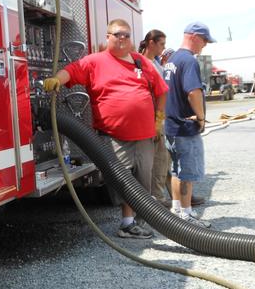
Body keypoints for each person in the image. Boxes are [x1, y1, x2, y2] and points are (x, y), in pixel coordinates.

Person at [44, 19, 168, 239]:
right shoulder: (95, 61)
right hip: (115, 136)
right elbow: (72, 71)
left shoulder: (141, 62)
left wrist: (158, 119)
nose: (122, 39)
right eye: (117, 34)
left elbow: (161, 90)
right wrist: (56, 80)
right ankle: (127, 224)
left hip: (145, 136)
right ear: (108, 36)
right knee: (124, 181)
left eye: (126, 35)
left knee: (143, 180)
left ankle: (142, 222)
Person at [163, 22, 215, 228]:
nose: (205, 45)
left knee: (177, 170)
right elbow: (193, 91)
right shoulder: (189, 61)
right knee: (187, 172)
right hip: (185, 127)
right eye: (204, 40)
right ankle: (186, 214)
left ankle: (177, 209)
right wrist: (200, 117)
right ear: (193, 37)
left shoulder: (172, 59)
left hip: (172, 126)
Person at [138, 30, 170, 206]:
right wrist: (156, 120)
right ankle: (157, 198)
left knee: (164, 159)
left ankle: (162, 195)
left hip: (159, 119)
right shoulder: (145, 64)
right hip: (152, 120)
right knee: (158, 160)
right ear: (151, 43)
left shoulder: (155, 63)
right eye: (161, 44)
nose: (163, 48)